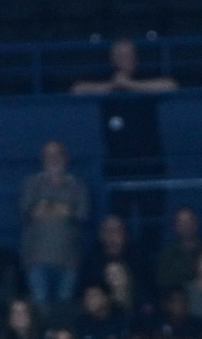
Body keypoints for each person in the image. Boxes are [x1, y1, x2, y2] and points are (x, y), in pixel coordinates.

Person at [73, 38, 175, 249]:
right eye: (119, 55)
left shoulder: (146, 76)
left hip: (150, 164)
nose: (124, 60)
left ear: (136, 58)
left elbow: (170, 85)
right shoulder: (105, 79)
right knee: (118, 221)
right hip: (118, 165)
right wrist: (113, 86)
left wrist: (130, 85)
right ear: (112, 59)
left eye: (128, 55)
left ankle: (148, 267)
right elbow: (77, 89)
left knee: (152, 221)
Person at [21, 141, 91, 305]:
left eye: (57, 154)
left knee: (64, 307)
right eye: (48, 155)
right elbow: (28, 211)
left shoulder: (77, 185)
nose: (53, 159)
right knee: (39, 306)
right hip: (35, 258)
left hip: (69, 260)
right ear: (42, 159)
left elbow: (82, 214)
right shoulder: (31, 184)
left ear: (65, 158)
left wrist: (47, 206)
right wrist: (63, 208)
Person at [80, 216, 149, 297]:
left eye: (116, 230)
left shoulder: (139, 257)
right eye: (108, 231)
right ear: (101, 234)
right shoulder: (91, 260)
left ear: (125, 233)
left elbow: (145, 286)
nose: (112, 235)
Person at [158, 210, 201, 293]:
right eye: (181, 222)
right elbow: (162, 281)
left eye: (189, 221)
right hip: (176, 301)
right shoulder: (167, 254)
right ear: (175, 227)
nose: (186, 226)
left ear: (196, 223)